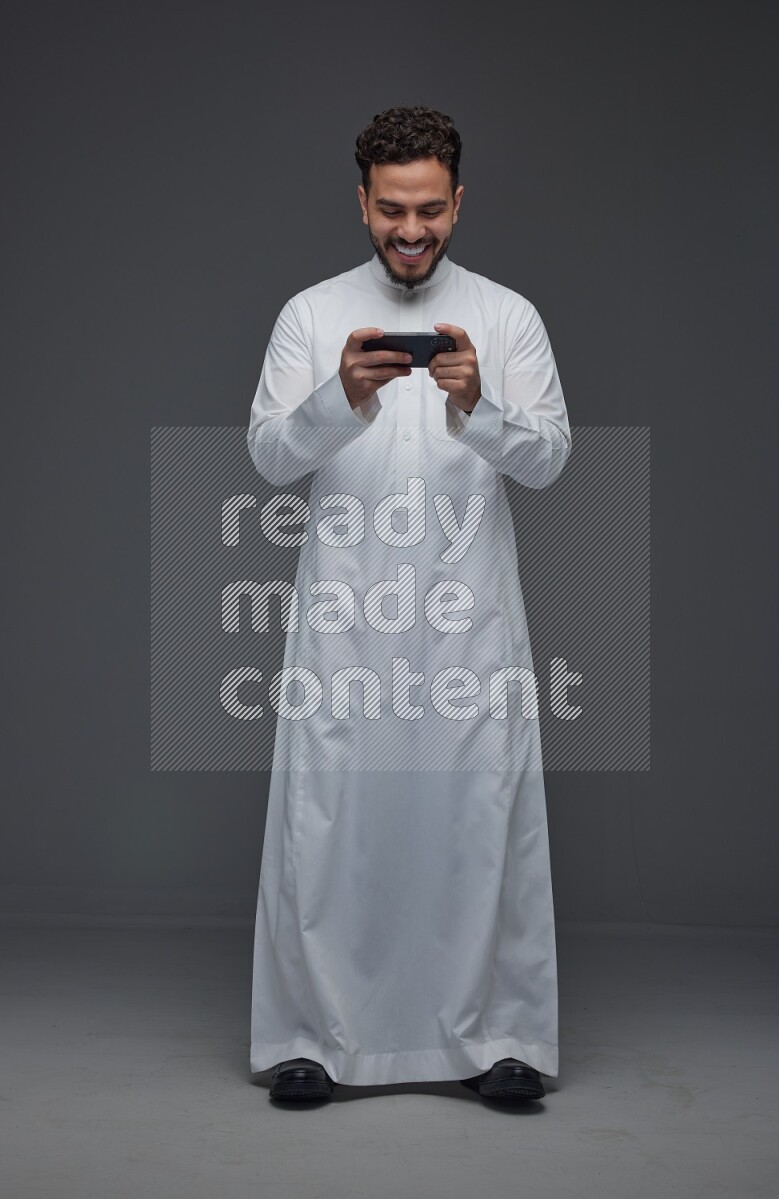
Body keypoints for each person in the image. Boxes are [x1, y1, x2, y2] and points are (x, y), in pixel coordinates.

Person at [247, 106, 572, 1103]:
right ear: (362, 202)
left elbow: (550, 459)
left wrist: (480, 407)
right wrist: (339, 395)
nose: (411, 229)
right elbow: (268, 457)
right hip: (346, 621)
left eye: (429, 209)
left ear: (457, 202)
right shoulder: (311, 316)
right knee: (328, 823)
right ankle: (309, 1037)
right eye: (392, 209)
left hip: (468, 621)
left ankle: (502, 1037)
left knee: (479, 820)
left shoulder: (508, 317)